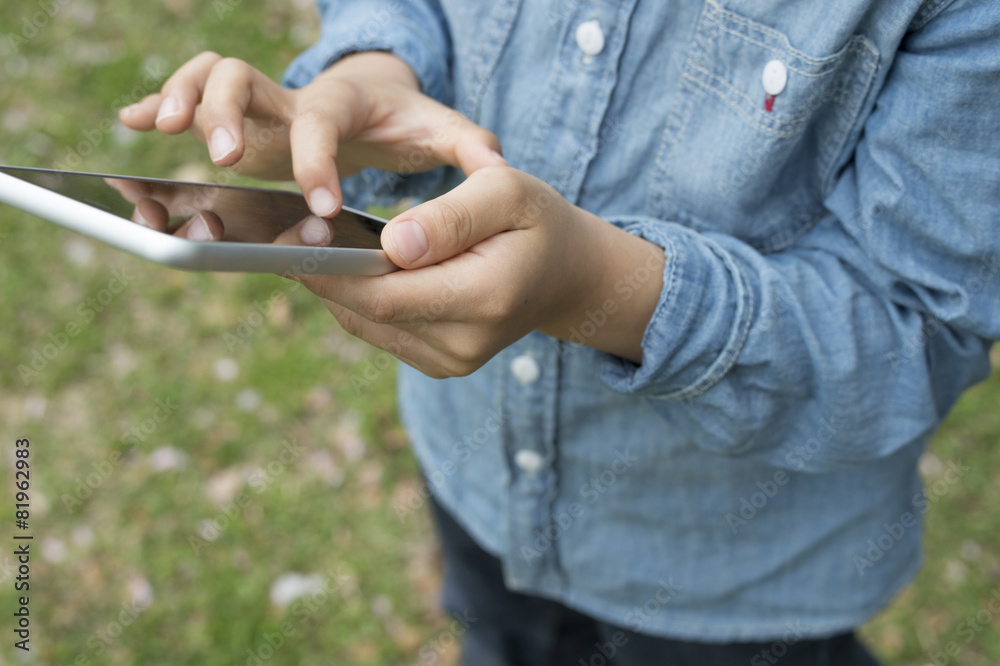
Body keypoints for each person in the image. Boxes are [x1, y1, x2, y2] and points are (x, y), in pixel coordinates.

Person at [119, 1, 1000, 664]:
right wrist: (373, 73)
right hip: (478, 479)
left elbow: (917, 330)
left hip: (737, 582)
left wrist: (589, 286)